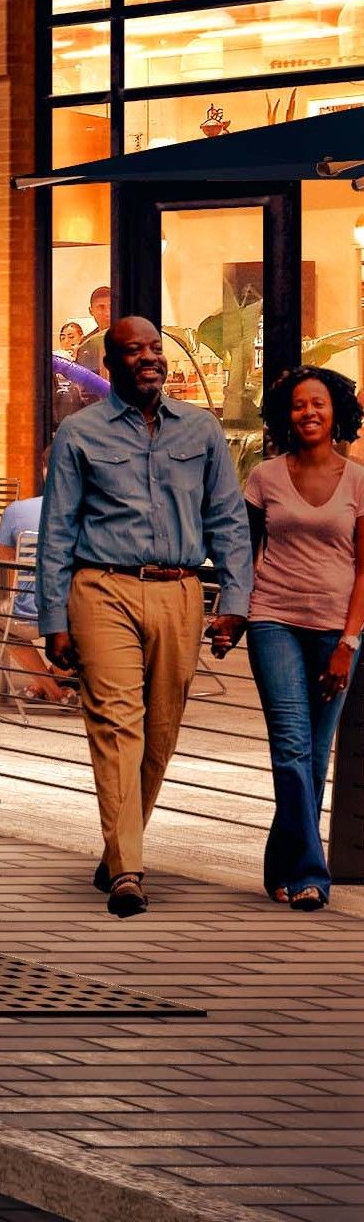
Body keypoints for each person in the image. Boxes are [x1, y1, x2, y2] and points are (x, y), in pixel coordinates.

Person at [36, 318, 248, 913]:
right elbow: (58, 530)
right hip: (103, 587)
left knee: (159, 733)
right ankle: (129, 867)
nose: (149, 358)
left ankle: (116, 850)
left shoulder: (202, 430)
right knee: (115, 724)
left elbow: (229, 520)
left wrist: (234, 600)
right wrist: (54, 617)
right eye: (135, 351)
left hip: (180, 590)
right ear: (111, 362)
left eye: (155, 348)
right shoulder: (80, 434)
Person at [237, 367, 358, 907]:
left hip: (337, 631)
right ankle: (312, 875)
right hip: (273, 620)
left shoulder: (359, 480)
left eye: (319, 404)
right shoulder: (264, 476)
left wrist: (349, 643)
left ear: (337, 413)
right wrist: (231, 613)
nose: (308, 412)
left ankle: (281, 868)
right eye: (298, 405)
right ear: (286, 415)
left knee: (312, 757)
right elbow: (244, 553)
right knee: (290, 748)